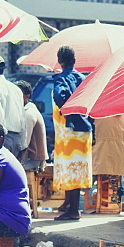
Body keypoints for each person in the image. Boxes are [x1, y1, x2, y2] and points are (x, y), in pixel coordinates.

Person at [51, 46, 92, 221]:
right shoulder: (83, 79)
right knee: (78, 169)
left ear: (59, 61)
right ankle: (69, 205)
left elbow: (61, 97)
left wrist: (66, 111)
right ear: (74, 60)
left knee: (70, 169)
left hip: (68, 132)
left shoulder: (61, 79)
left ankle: (74, 210)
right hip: (84, 130)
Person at [91, 114, 124, 211]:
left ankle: (102, 200)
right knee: (118, 177)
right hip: (123, 151)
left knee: (102, 176)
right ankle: (116, 201)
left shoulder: (98, 115)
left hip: (102, 151)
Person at [15, 80, 49, 172]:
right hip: (32, 159)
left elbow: (23, 143)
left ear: (27, 96)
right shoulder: (28, 110)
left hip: (33, 161)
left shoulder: (29, 113)